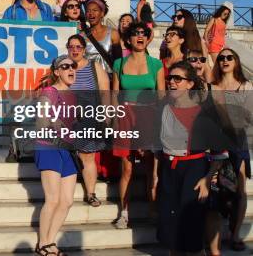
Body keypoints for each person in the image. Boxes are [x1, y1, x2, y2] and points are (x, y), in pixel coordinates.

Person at [157, 61, 223, 255]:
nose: (172, 82)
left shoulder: (204, 113)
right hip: (169, 170)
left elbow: (219, 153)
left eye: (178, 79)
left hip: (195, 169)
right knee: (171, 229)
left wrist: (207, 178)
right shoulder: (163, 109)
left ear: (190, 84)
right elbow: (157, 148)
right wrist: (155, 177)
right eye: (170, 78)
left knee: (191, 227)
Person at [112, 22, 165, 229]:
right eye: (135, 33)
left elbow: (162, 96)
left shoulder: (156, 65)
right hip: (125, 116)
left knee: (151, 168)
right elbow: (114, 95)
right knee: (126, 169)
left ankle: (153, 210)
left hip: (149, 116)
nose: (140, 36)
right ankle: (123, 213)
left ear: (148, 38)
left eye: (144, 33)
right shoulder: (119, 64)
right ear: (129, 39)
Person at [3, 0, 54, 163]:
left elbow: (56, 33)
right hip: (19, 65)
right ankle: (13, 148)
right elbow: (5, 36)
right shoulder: (11, 12)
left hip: (42, 67)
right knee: (15, 108)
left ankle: (38, 147)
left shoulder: (46, 9)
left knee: (41, 109)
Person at [34, 55, 78, 256]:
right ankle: (42, 243)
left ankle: (50, 241)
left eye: (73, 66)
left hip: (67, 150)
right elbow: (42, 122)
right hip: (49, 147)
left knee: (67, 200)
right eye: (65, 66)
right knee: (52, 199)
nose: (71, 69)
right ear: (57, 72)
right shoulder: (49, 92)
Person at [210, 48, 252, 252]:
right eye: (221, 58)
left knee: (240, 190)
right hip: (217, 141)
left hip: (238, 141)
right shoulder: (213, 86)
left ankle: (235, 235)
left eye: (229, 57)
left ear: (236, 61)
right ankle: (217, 235)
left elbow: (248, 118)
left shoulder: (245, 86)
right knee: (220, 187)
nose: (225, 60)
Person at [65, 34, 110, 207]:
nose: (75, 50)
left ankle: (91, 193)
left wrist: (106, 115)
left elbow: (105, 91)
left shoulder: (94, 66)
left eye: (78, 47)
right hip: (69, 118)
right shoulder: (64, 66)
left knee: (88, 155)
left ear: (84, 49)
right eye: (71, 47)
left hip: (90, 117)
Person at [82, 0, 121, 74]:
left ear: (102, 14)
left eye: (95, 10)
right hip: (89, 80)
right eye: (88, 11)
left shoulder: (113, 33)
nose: (91, 13)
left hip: (109, 79)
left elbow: (118, 62)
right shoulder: (81, 36)